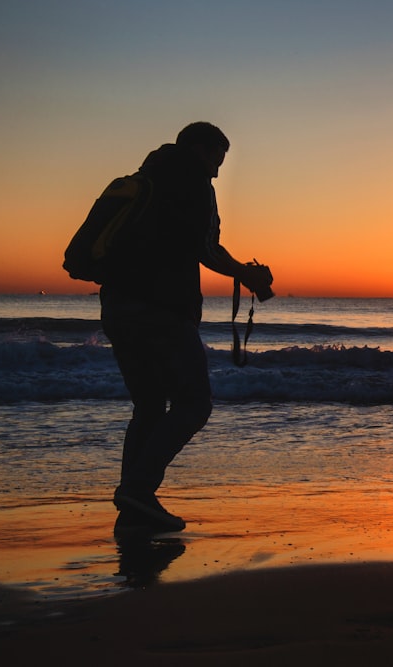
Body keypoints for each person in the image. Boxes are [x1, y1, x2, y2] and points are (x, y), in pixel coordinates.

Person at [100, 122, 274, 532]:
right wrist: (246, 275)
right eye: (218, 157)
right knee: (194, 404)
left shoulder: (147, 178)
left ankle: (133, 502)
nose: (217, 169)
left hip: (118, 307)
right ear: (201, 149)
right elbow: (205, 248)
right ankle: (138, 490)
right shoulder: (192, 182)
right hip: (161, 311)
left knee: (148, 405)